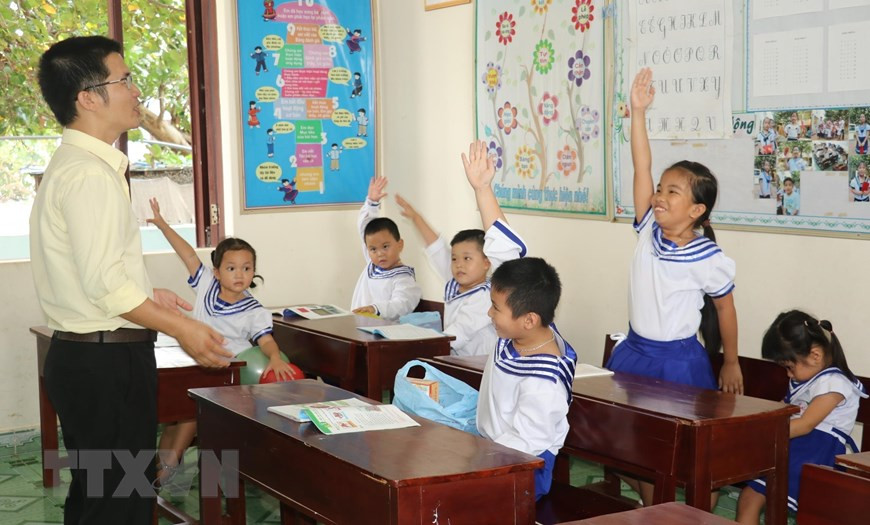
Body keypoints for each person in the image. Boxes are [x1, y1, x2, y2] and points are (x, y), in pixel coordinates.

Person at [31, 35, 231, 525]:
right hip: (105, 365)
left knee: (99, 501)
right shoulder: (90, 175)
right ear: (88, 98)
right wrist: (183, 328)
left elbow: (92, 273)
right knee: (119, 509)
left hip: (89, 358)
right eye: (124, 80)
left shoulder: (77, 166)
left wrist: (145, 293)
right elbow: (105, 286)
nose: (136, 91)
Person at [605, 68, 742, 506]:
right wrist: (638, 113)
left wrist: (731, 362)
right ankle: (655, 506)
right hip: (634, 355)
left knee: (687, 453)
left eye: (673, 192)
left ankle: (693, 508)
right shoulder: (648, 229)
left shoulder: (708, 258)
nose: (659, 196)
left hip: (679, 364)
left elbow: (725, 309)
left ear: (697, 210)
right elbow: (641, 164)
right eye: (660, 189)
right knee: (636, 447)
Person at [147, 199, 296, 484]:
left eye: (246, 268)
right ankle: (159, 466)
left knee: (190, 413)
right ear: (216, 272)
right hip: (194, 365)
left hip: (225, 376)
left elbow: (265, 341)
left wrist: (276, 357)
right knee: (173, 414)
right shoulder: (206, 284)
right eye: (231, 268)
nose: (240, 274)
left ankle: (168, 469)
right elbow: (187, 254)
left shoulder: (254, 310)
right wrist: (163, 225)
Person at [468, 142, 576, 501]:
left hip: (522, 471)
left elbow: (522, 447)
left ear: (528, 320)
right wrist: (483, 188)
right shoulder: (526, 316)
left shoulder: (545, 380)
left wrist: (468, 461)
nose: (490, 313)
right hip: (492, 448)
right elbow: (502, 245)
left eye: (495, 308)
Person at [394, 141, 527, 356]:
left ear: (487, 262)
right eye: (455, 259)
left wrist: (421, 346)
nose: (458, 265)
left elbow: (460, 332)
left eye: (467, 258)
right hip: (456, 359)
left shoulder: (485, 295)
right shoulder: (456, 283)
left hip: (477, 366)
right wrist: (416, 217)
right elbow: (437, 249)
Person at [736, 310, 867, 524]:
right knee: (751, 499)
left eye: (789, 367)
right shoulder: (808, 377)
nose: (788, 374)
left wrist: (763, 432)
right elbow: (782, 410)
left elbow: (806, 424)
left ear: (815, 355)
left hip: (814, 453)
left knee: (758, 499)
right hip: (794, 446)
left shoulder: (835, 383)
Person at [351, 176, 422, 320]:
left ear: (400, 244)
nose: (380, 254)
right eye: (373, 249)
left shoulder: (403, 278)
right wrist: (371, 203)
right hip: (358, 326)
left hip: (383, 332)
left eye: (385, 247)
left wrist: (375, 309)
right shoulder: (372, 264)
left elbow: (401, 305)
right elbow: (365, 227)